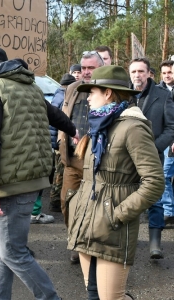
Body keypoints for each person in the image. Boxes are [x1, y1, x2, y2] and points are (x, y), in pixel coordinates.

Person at [0, 46, 78, 300]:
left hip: (11, 183)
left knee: (12, 252)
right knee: (0, 248)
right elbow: (56, 115)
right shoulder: (29, 86)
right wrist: (73, 129)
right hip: (32, 178)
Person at [68, 65, 164, 300]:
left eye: (92, 92)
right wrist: (75, 203)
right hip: (86, 221)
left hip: (113, 227)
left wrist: (117, 214)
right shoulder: (99, 125)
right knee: (92, 294)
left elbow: (154, 182)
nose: (88, 98)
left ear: (108, 93)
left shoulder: (133, 127)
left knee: (111, 298)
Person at [59, 50, 104, 263]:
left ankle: (91, 245)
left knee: (95, 206)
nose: (85, 72)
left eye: (90, 68)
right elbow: (63, 115)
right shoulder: (72, 88)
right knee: (67, 202)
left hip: (98, 161)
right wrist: (60, 140)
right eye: (83, 68)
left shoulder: (109, 89)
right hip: (72, 160)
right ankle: (75, 239)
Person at [129, 57, 174, 259]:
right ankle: (126, 240)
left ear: (149, 74)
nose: (137, 75)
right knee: (127, 198)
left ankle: (155, 242)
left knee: (155, 200)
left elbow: (171, 127)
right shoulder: (122, 95)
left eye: (141, 71)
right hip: (126, 158)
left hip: (153, 157)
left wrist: (153, 147)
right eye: (133, 72)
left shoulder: (163, 96)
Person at [49, 73, 76, 212]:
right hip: (61, 140)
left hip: (56, 139)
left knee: (57, 171)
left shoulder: (57, 95)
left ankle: (55, 199)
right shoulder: (64, 97)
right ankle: (55, 201)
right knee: (60, 172)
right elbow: (61, 120)